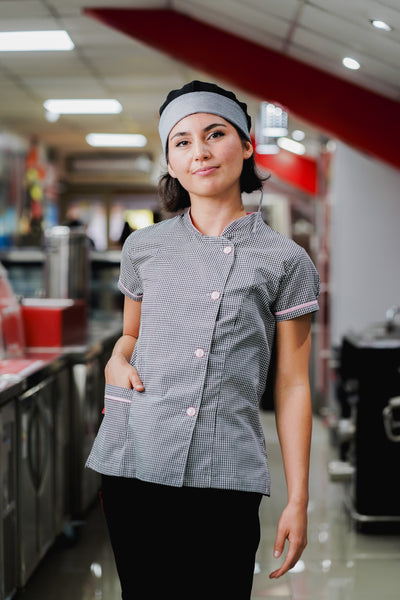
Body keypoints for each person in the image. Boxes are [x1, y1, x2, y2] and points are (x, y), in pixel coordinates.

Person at [86, 80, 320, 599]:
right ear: (170, 163)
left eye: (215, 134)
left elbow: (292, 386)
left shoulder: (286, 261)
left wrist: (299, 498)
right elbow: (130, 335)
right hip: (136, 461)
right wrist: (115, 360)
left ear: (247, 144)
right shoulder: (144, 247)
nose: (201, 152)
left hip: (225, 471)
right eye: (183, 142)